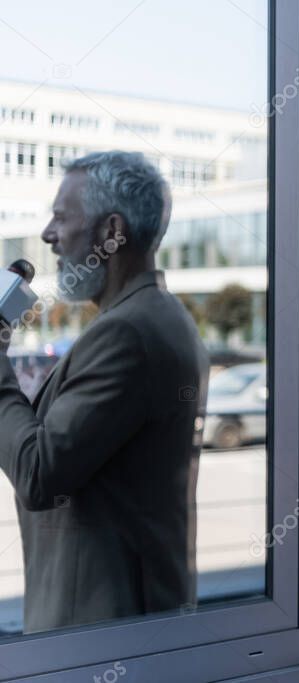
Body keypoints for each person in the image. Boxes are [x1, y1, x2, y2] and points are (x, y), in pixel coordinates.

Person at [0, 151, 209, 633]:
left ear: (111, 232)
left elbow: (39, 473)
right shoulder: (154, 318)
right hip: (123, 623)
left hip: (99, 632)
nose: (49, 235)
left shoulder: (128, 334)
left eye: (61, 217)